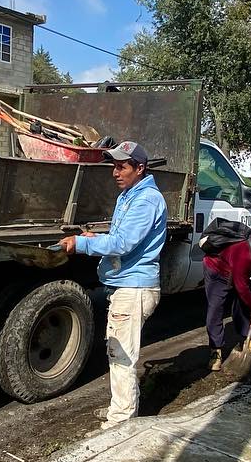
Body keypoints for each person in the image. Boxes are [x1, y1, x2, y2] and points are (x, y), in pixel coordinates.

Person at [58, 141, 169, 427]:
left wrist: (81, 243)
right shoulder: (130, 195)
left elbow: (124, 243)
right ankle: (120, 408)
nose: (115, 172)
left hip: (134, 289)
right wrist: (97, 239)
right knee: (118, 351)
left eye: (122, 166)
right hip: (127, 286)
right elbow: (121, 235)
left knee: (121, 356)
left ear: (140, 168)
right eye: (114, 166)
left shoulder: (145, 199)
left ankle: (119, 422)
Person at [203, 226, 251, 370]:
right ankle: (216, 351)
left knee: (242, 306)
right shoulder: (245, 252)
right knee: (216, 308)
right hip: (217, 269)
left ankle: (249, 343)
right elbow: (241, 287)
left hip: (238, 270)